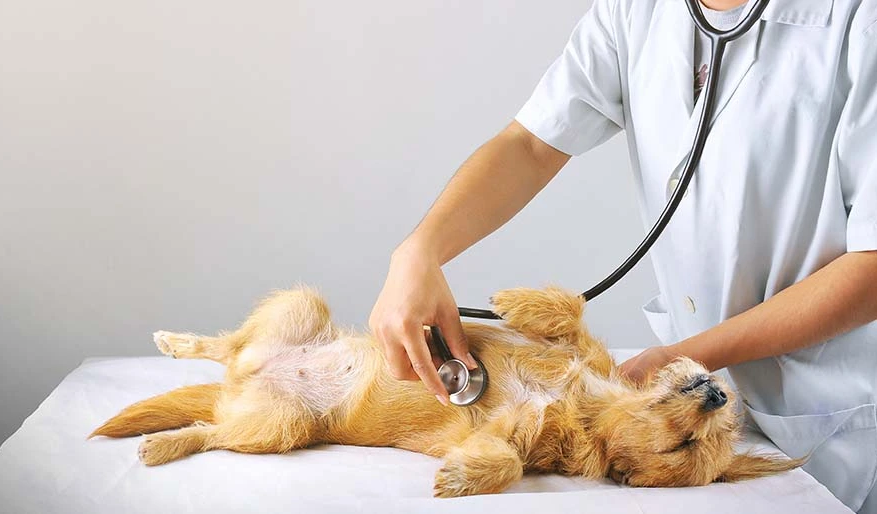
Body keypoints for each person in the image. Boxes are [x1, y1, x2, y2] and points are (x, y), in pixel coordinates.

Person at [368, 0, 877, 511]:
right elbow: (530, 145)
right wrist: (419, 251)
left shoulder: (860, 21)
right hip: (672, 420)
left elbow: (872, 267)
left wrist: (690, 356)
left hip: (822, 413)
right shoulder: (637, 9)